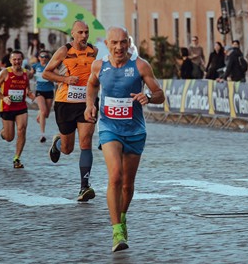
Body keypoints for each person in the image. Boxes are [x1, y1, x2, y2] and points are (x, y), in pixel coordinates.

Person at [85, 26, 165, 253]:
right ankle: (116, 230)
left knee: (128, 184)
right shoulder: (99, 66)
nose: (119, 47)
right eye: (114, 43)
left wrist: (148, 96)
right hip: (109, 127)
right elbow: (91, 85)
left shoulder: (140, 65)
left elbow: (160, 94)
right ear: (107, 44)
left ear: (128, 43)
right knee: (116, 175)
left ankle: (122, 216)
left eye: (123, 43)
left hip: (135, 131)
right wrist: (90, 104)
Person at [43, 20, 98, 202]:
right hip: (65, 103)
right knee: (68, 149)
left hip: (86, 102)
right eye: (80, 32)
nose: (84, 36)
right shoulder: (64, 51)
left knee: (86, 141)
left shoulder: (94, 51)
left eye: (86, 32)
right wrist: (65, 79)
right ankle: (58, 144)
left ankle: (84, 187)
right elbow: (46, 73)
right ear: (73, 34)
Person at [0, 50, 35, 168]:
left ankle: (17, 158)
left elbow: (27, 88)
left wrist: (29, 93)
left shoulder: (25, 73)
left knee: (22, 129)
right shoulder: (5, 73)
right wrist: (3, 98)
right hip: (7, 108)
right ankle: (4, 132)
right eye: (14, 59)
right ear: (10, 61)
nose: (17, 62)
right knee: (9, 138)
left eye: (19, 59)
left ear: (22, 60)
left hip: (21, 107)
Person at [32, 50, 55, 143]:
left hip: (49, 91)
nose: (44, 58)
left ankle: (39, 117)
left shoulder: (50, 66)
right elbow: (29, 74)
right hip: (39, 91)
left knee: (46, 114)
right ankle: (42, 135)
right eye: (42, 56)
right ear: (38, 57)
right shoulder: (35, 66)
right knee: (43, 110)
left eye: (46, 57)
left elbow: (57, 74)